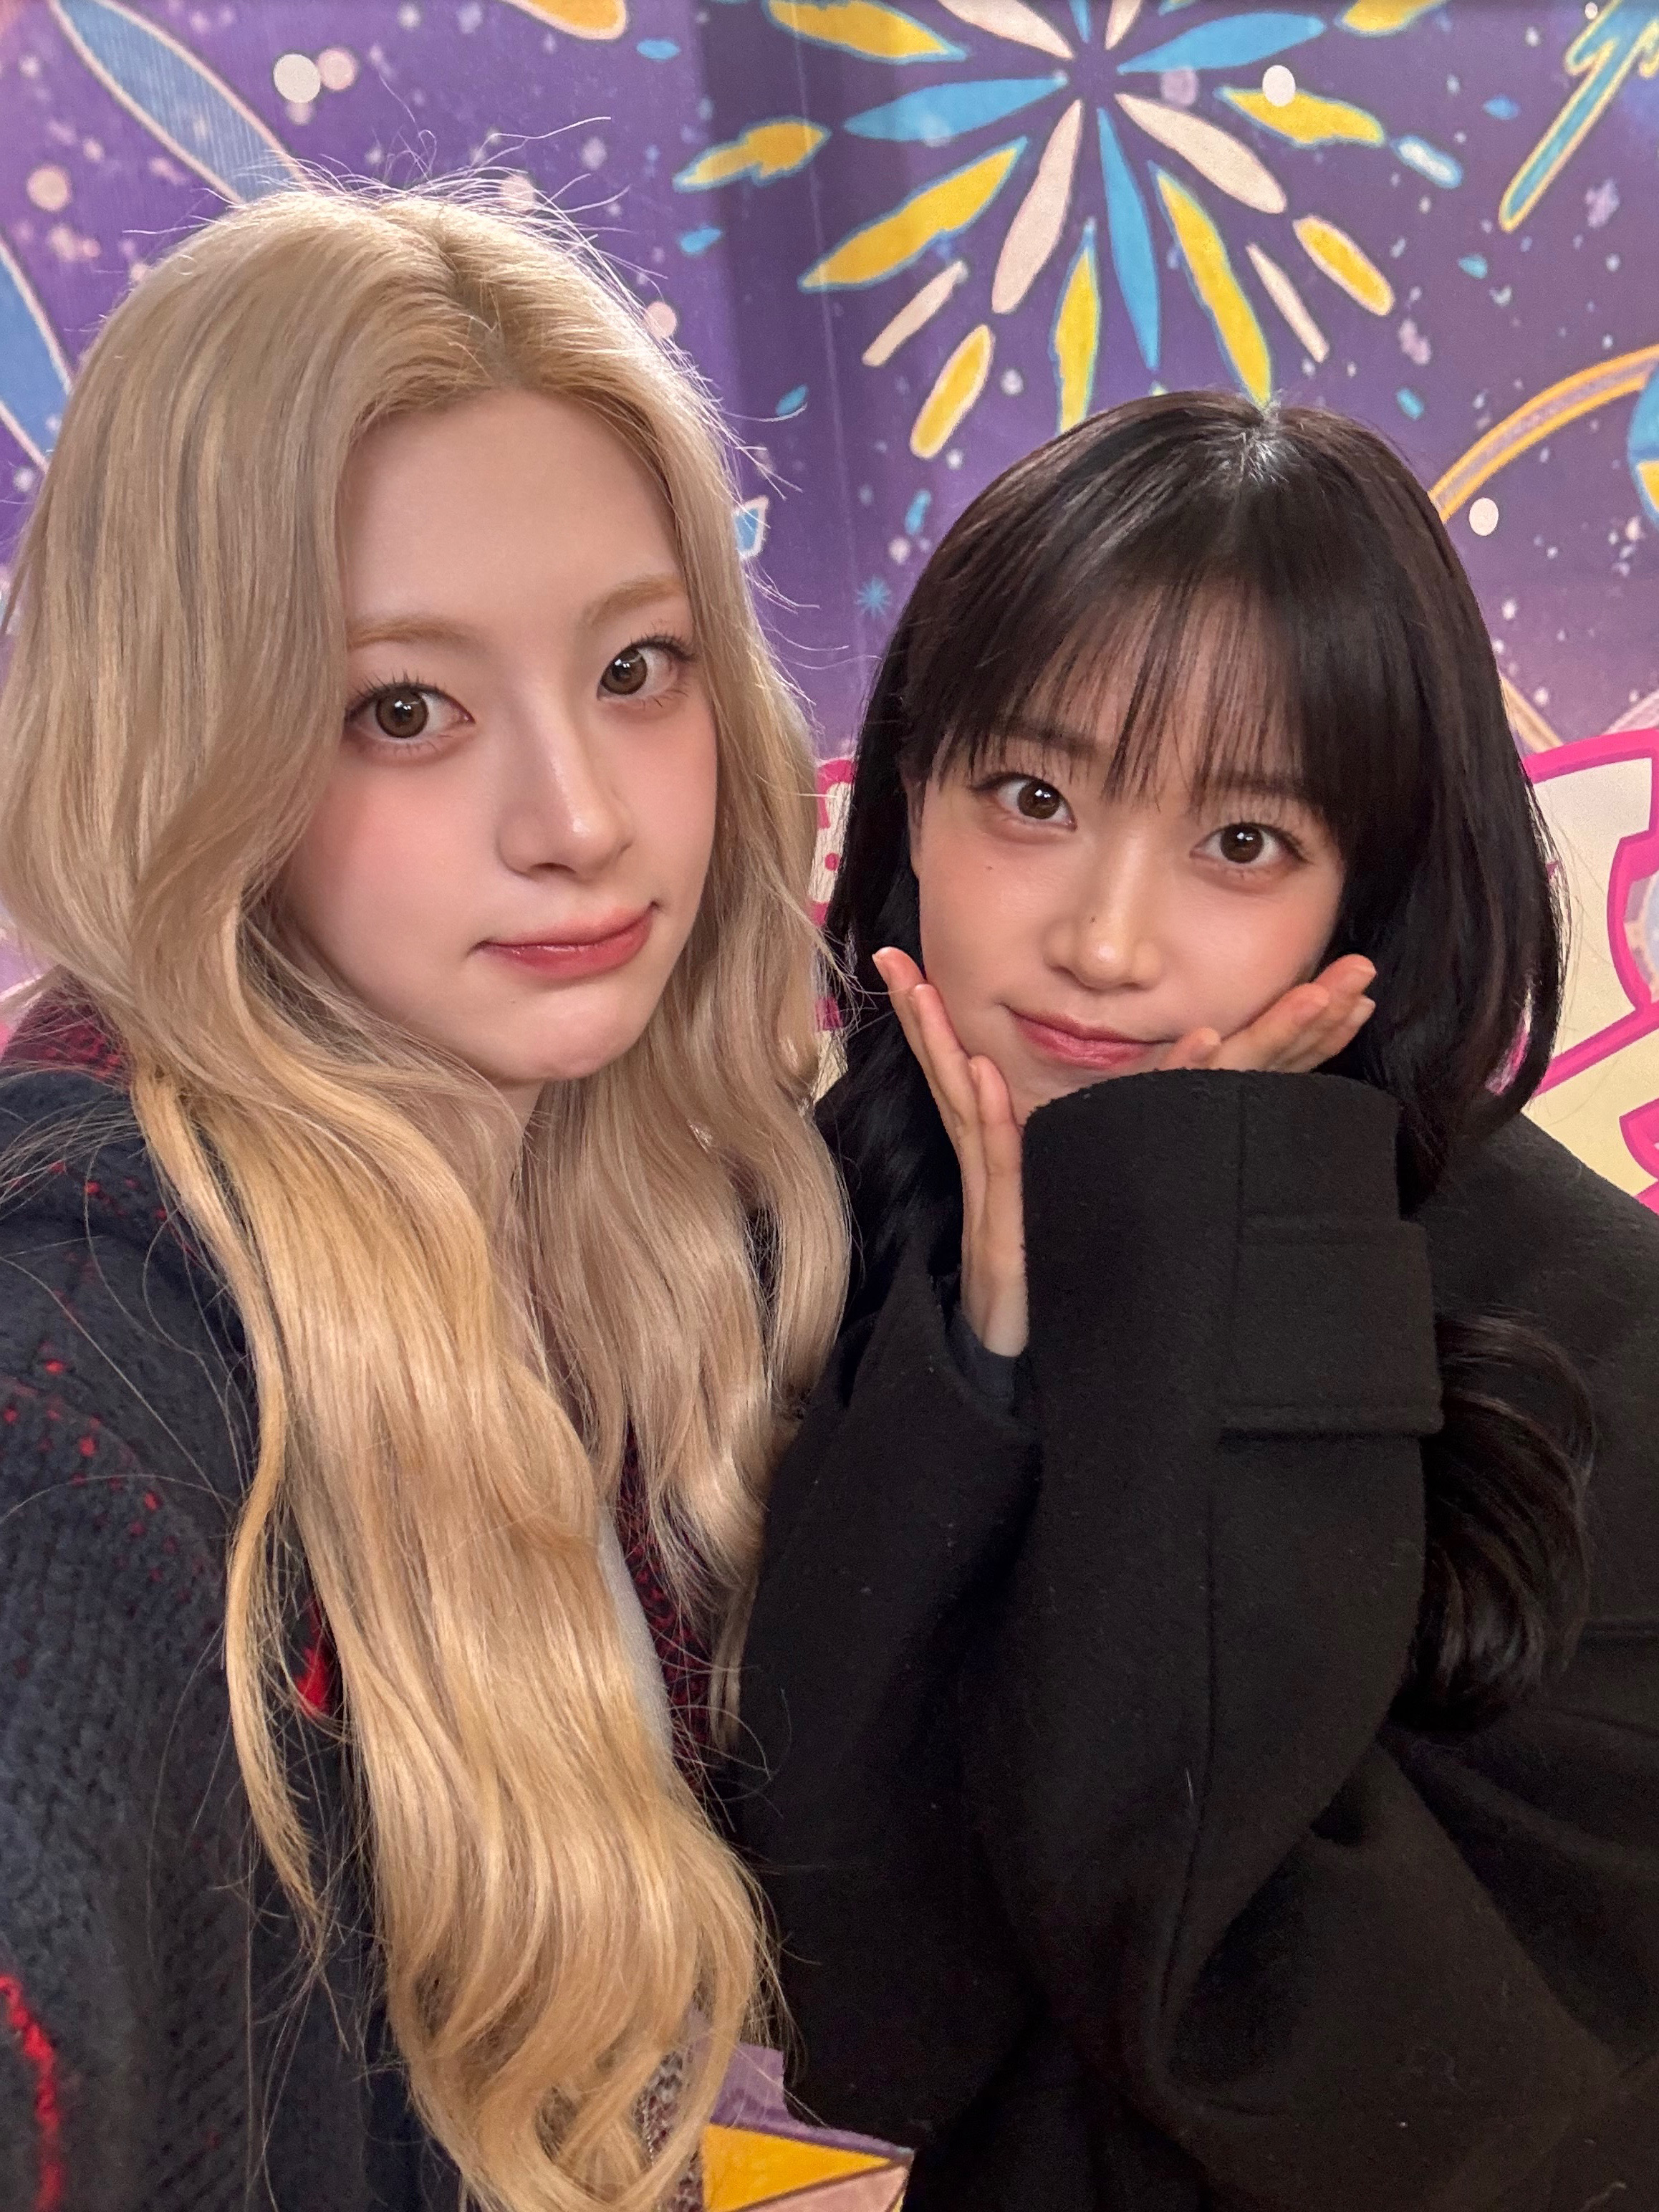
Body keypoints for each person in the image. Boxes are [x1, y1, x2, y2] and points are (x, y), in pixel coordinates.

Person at [0, 188, 847, 2212]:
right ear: (187, 739)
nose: (579, 818)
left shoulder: (664, 1213)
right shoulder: (88, 1347)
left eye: (636, 666)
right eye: (404, 707)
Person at [731, 393, 1659, 2211]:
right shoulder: (836, 1223)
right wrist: (987, 1360)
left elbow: (1232, 2012)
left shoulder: (1591, 1327)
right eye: (1033, 798)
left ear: (1369, 888)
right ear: (910, 800)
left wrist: (1211, 1259)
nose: (1104, 939)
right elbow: (861, 2006)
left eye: (1242, 843)